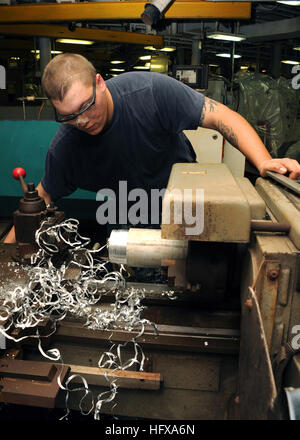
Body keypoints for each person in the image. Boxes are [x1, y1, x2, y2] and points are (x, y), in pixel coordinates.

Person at [4, 53, 300, 243]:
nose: (81, 121)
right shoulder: (65, 147)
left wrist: (263, 162)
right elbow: (39, 199)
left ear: (100, 83)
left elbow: (222, 117)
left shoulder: (150, 93)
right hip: (125, 210)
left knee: (194, 275)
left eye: (86, 106)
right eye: (68, 116)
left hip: (183, 201)